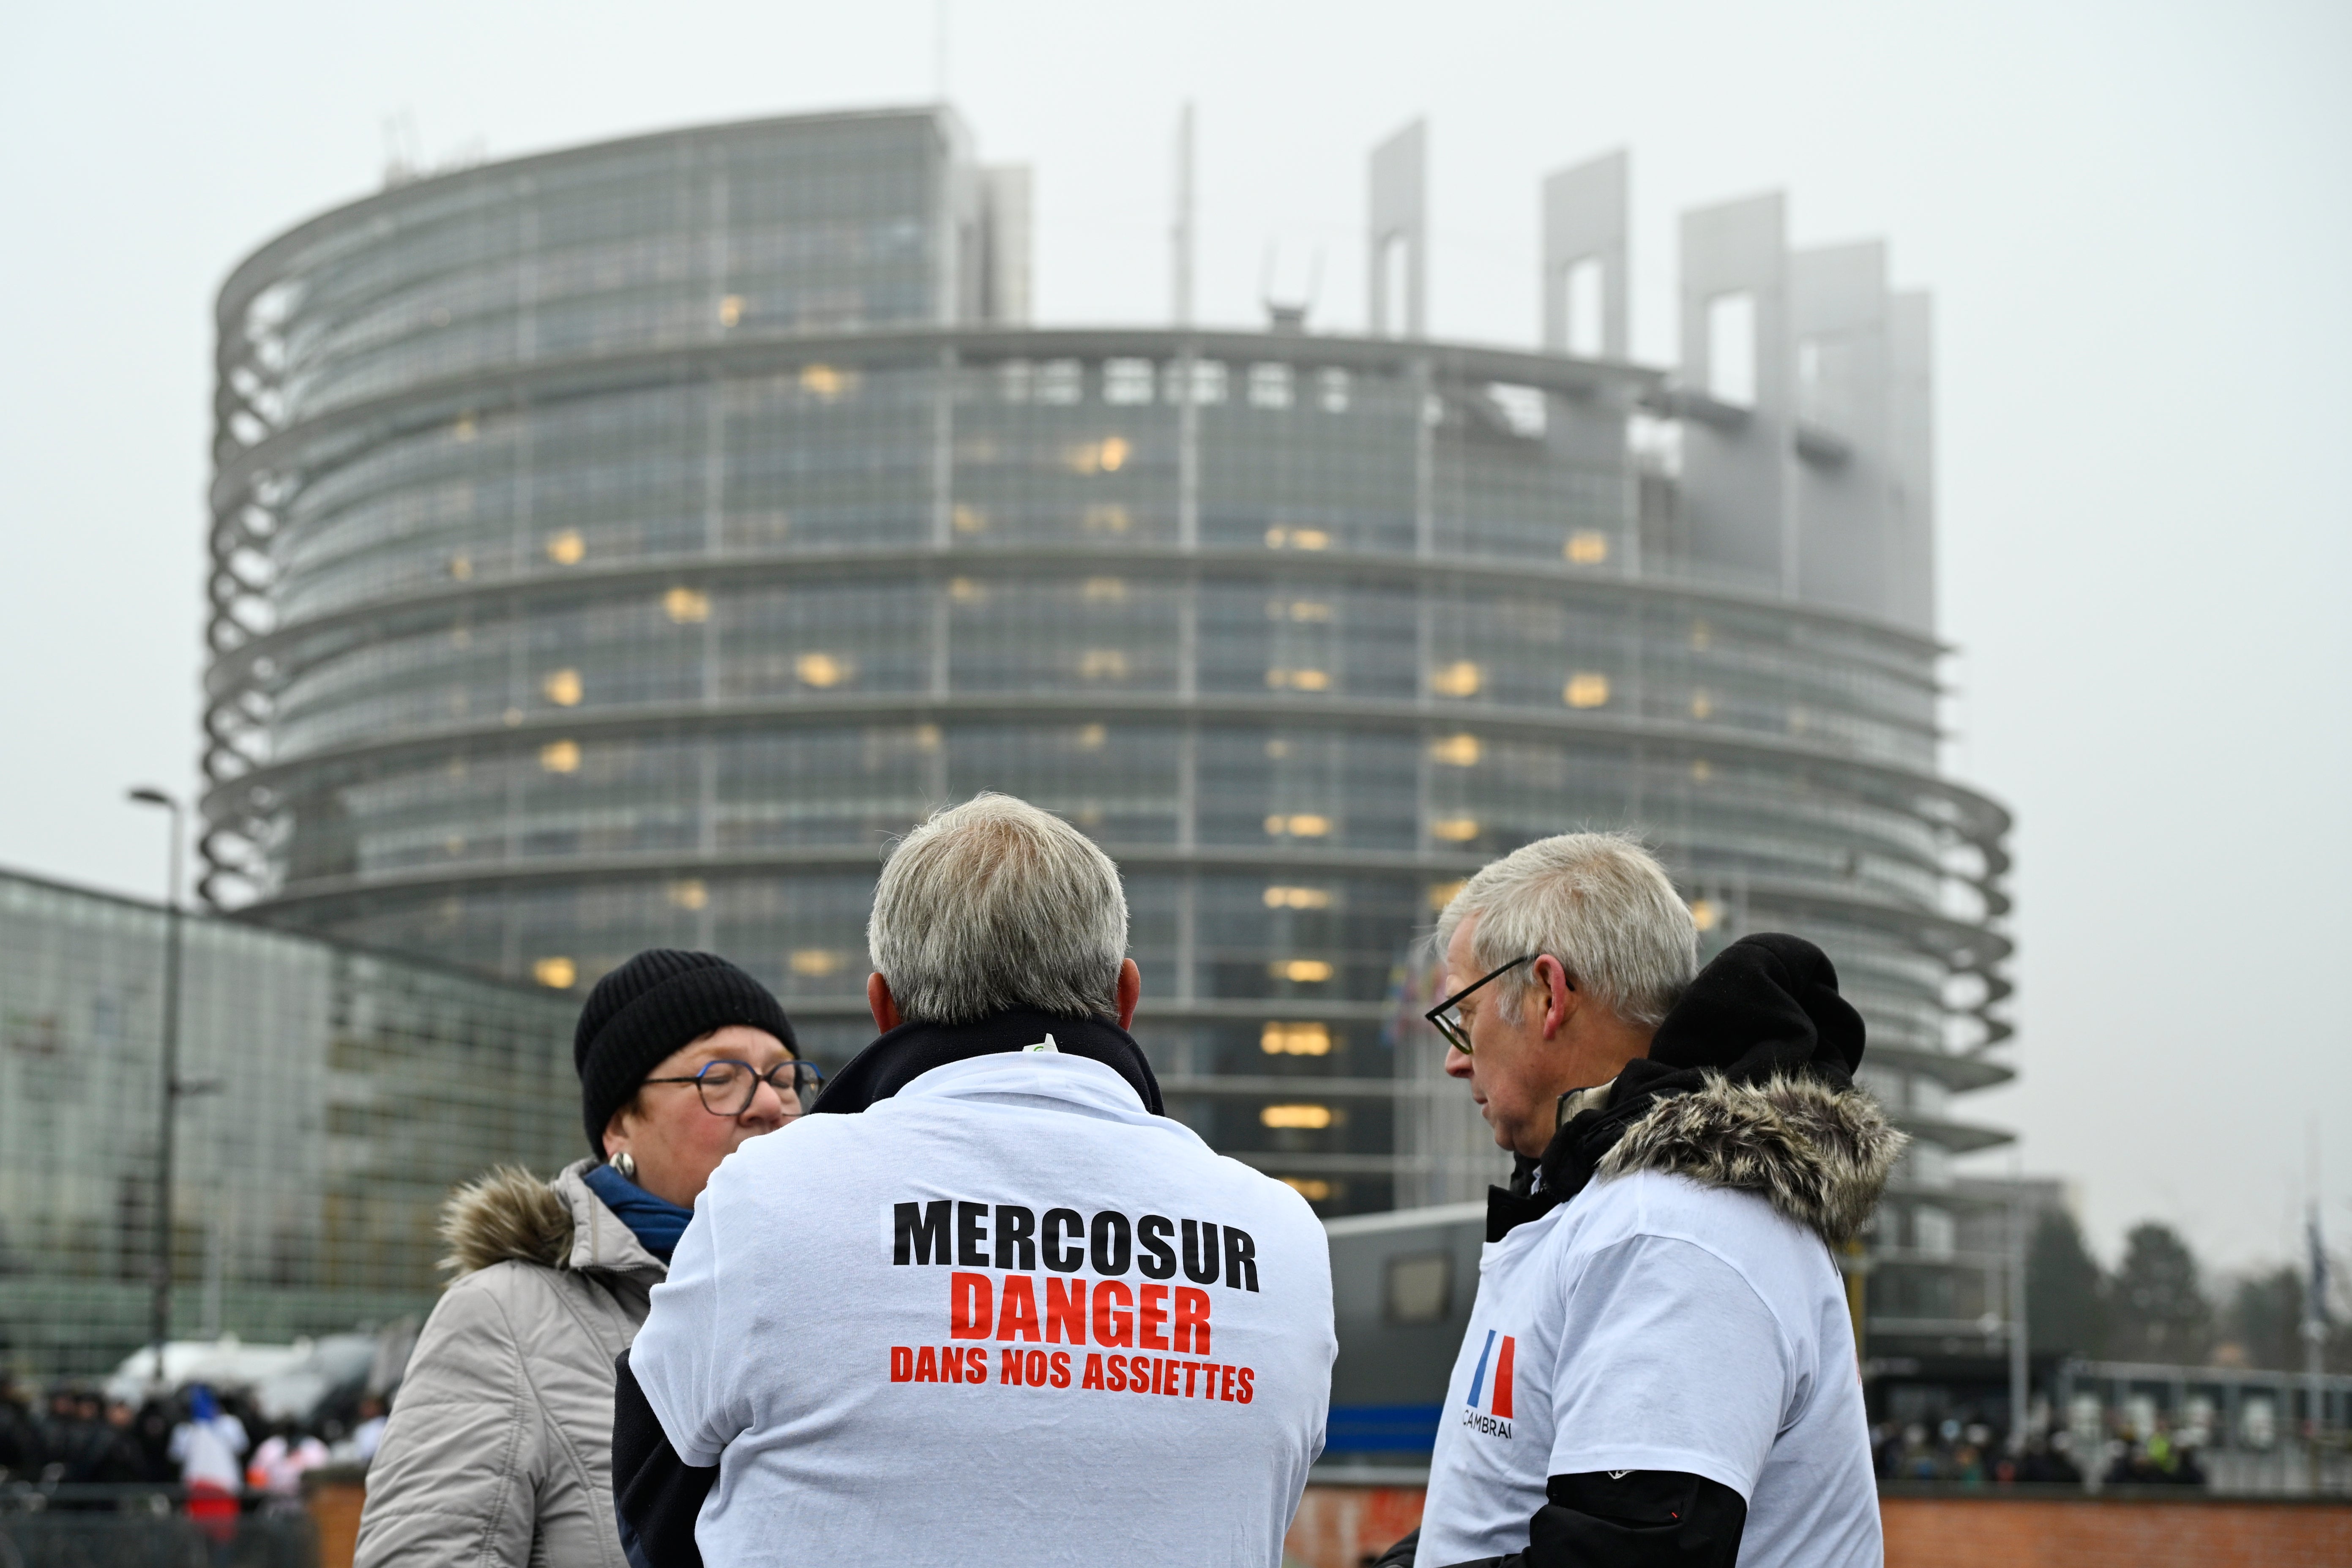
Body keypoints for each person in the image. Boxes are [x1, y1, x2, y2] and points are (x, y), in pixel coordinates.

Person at [616, 793, 1336, 1566]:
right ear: (1127, 997)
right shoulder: (1282, 1234)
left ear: (883, 1005)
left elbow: (656, 1511)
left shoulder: (768, 1195)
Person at [1376, 833, 1899, 1568]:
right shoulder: (1625, 1205)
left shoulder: (1673, 1227)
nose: (1456, 1057)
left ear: (1549, 994)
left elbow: (1626, 1554)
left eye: (1465, 1015)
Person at [355, 951, 809, 1568]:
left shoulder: (831, 1302)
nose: (768, 1104)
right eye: (720, 1076)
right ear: (620, 1125)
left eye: (785, 1079)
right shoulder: (505, 1316)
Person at [169, 1385, 249, 1546]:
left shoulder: (229, 1425)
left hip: (224, 1486)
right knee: (199, 1536)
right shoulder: (187, 1430)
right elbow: (176, 1455)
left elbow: (242, 1446)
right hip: (198, 1486)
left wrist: (215, 1426)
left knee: (224, 1537)